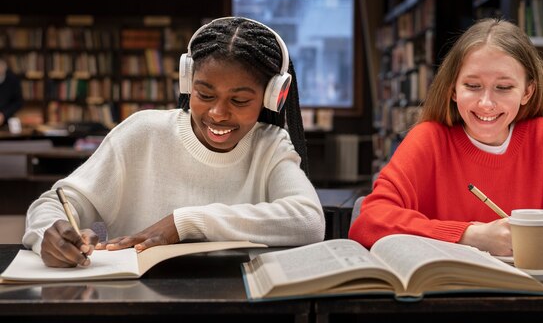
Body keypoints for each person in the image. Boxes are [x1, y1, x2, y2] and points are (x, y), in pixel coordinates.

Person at [23, 17, 326, 267]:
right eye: (204, 95)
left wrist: (185, 222)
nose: (218, 114)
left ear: (272, 97)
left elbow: (309, 221)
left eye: (240, 100)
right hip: (134, 305)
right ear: (187, 82)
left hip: (235, 304)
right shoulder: (143, 132)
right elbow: (55, 203)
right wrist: (47, 233)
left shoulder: (270, 145)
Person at [349, 18, 543, 256]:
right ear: (453, 89)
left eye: (503, 87)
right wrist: (471, 235)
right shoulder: (429, 140)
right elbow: (369, 221)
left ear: (527, 92)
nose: (486, 103)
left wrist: (529, 231)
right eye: (472, 86)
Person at [0, 55, 23, 127]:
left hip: (7, 120)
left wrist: (4, 114)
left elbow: (18, 102)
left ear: (5, 66)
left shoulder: (13, 80)